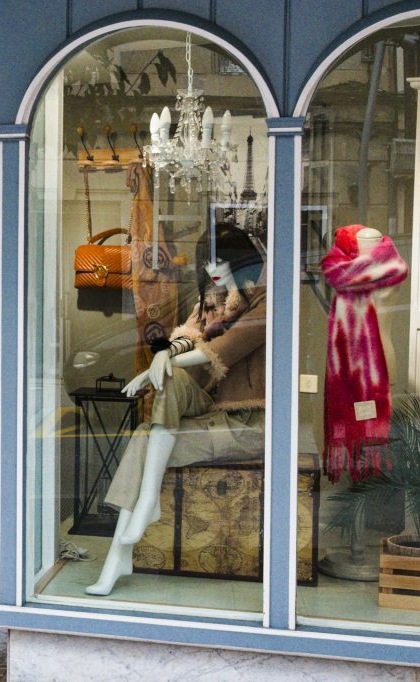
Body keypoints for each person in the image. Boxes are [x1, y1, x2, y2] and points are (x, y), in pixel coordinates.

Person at [87, 223, 266, 595]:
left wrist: (161, 365)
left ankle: (121, 550)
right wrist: (164, 355)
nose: (212, 267)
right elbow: (186, 335)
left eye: (220, 258)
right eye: (207, 260)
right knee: (150, 423)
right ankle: (118, 555)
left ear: (239, 258)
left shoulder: (263, 300)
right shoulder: (210, 300)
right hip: (209, 417)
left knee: (145, 431)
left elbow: (225, 349)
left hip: (247, 425)